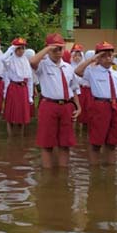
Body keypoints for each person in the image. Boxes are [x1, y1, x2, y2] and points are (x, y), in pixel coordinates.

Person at [30, 33, 81, 168]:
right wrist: (48, 49)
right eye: (55, 49)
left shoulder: (68, 67)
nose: (58, 52)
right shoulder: (43, 65)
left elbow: (74, 88)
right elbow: (32, 62)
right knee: (47, 143)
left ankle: (63, 173)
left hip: (67, 106)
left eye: (61, 49)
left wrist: (78, 107)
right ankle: (48, 173)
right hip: (49, 105)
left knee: (65, 143)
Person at [75, 41, 117, 165]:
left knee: (112, 143)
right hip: (99, 106)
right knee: (96, 143)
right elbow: (78, 71)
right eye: (104, 55)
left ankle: (110, 170)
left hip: (115, 106)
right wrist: (92, 59)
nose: (108, 58)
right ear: (98, 57)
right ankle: (95, 171)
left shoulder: (116, 74)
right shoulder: (92, 71)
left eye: (110, 55)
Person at [2, 37, 34, 136]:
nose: (20, 51)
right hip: (13, 88)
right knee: (10, 114)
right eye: (18, 48)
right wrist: (11, 48)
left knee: (22, 115)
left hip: (23, 89)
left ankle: (20, 136)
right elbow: (2, 59)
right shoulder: (10, 60)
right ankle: (10, 136)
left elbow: (30, 79)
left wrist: (30, 95)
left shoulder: (26, 61)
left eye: (22, 48)